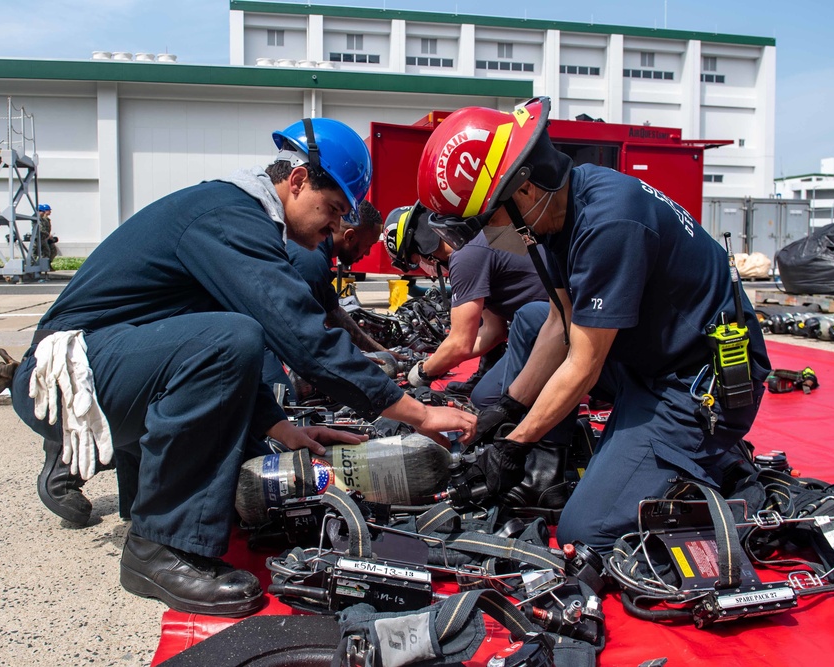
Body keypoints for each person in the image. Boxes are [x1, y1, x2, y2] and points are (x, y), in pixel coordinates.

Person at [0, 117, 475, 616]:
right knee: (233, 337)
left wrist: (279, 426)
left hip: (108, 365)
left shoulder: (235, 217)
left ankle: (151, 510)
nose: (336, 227)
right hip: (65, 380)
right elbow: (296, 332)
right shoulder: (229, 216)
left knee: (228, 339)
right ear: (298, 181)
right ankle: (155, 549)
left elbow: (207, 344)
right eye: (333, 210)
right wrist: (414, 413)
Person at [416, 97, 771, 553]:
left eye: (487, 222)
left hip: (697, 386)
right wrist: (506, 408)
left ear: (522, 189)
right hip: (644, 360)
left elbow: (582, 364)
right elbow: (559, 327)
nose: (486, 237)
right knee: (529, 318)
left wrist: (513, 444)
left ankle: (713, 467)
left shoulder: (608, 223)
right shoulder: (552, 216)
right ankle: (550, 477)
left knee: (588, 531)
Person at [383, 203, 548, 401]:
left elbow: (461, 343)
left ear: (422, 248)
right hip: (548, 319)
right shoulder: (474, 241)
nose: (423, 268)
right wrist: (437, 361)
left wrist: (422, 371)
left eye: (416, 261)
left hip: (549, 328)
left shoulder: (464, 257)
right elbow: (493, 331)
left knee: (485, 399)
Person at [261, 199, 396, 398]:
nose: (367, 253)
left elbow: (334, 313)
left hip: (266, 337)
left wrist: (381, 350)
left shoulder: (316, 254)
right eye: (366, 246)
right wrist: (353, 359)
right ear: (350, 237)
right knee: (286, 405)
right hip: (258, 343)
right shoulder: (310, 261)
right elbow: (308, 335)